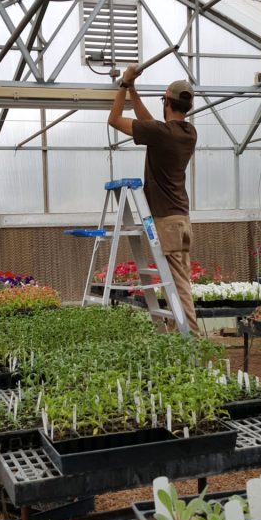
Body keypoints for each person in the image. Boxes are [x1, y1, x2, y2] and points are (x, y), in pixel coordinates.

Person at [107, 65, 199, 337]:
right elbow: (149, 124)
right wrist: (134, 90)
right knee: (179, 279)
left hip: (167, 220)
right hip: (181, 218)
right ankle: (177, 332)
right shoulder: (187, 133)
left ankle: (191, 342)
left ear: (166, 102)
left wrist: (123, 85)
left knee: (180, 284)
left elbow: (114, 120)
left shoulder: (162, 134)